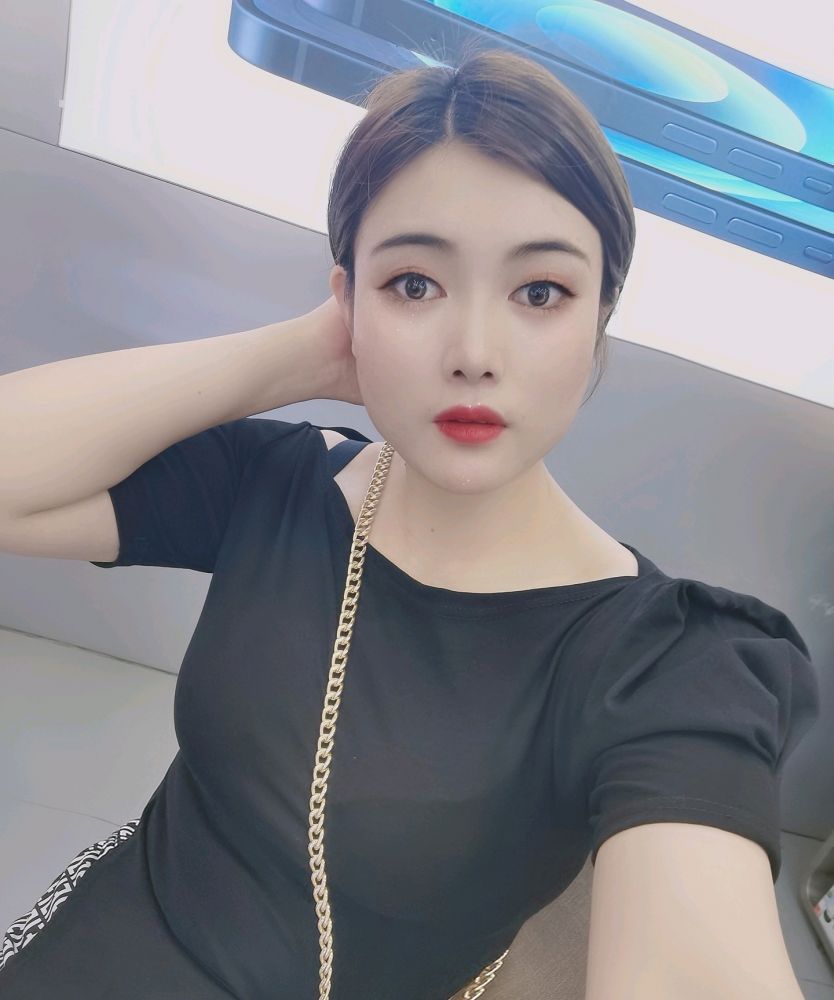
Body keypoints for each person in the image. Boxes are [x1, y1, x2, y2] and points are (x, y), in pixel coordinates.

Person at [0, 43, 819, 1000]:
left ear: (599, 317)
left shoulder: (669, 661)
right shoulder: (281, 483)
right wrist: (300, 354)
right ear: (348, 299)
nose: (473, 351)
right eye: (414, 284)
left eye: (541, 292)